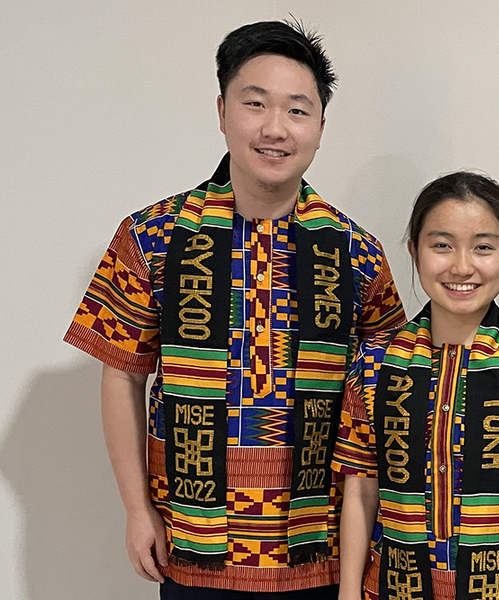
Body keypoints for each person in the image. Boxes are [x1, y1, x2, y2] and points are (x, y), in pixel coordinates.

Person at [63, 20, 406, 599]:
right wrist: (136, 508)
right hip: (194, 544)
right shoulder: (154, 236)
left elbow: (386, 394)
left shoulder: (356, 251)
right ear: (222, 111)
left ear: (321, 126)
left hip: (324, 552)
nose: (275, 128)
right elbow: (121, 373)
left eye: (298, 110)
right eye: (256, 104)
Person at [333, 172, 499, 600]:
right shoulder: (376, 361)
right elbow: (360, 489)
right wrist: (347, 592)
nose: (462, 266)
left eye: (483, 247)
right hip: (395, 585)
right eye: (442, 245)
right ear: (414, 251)